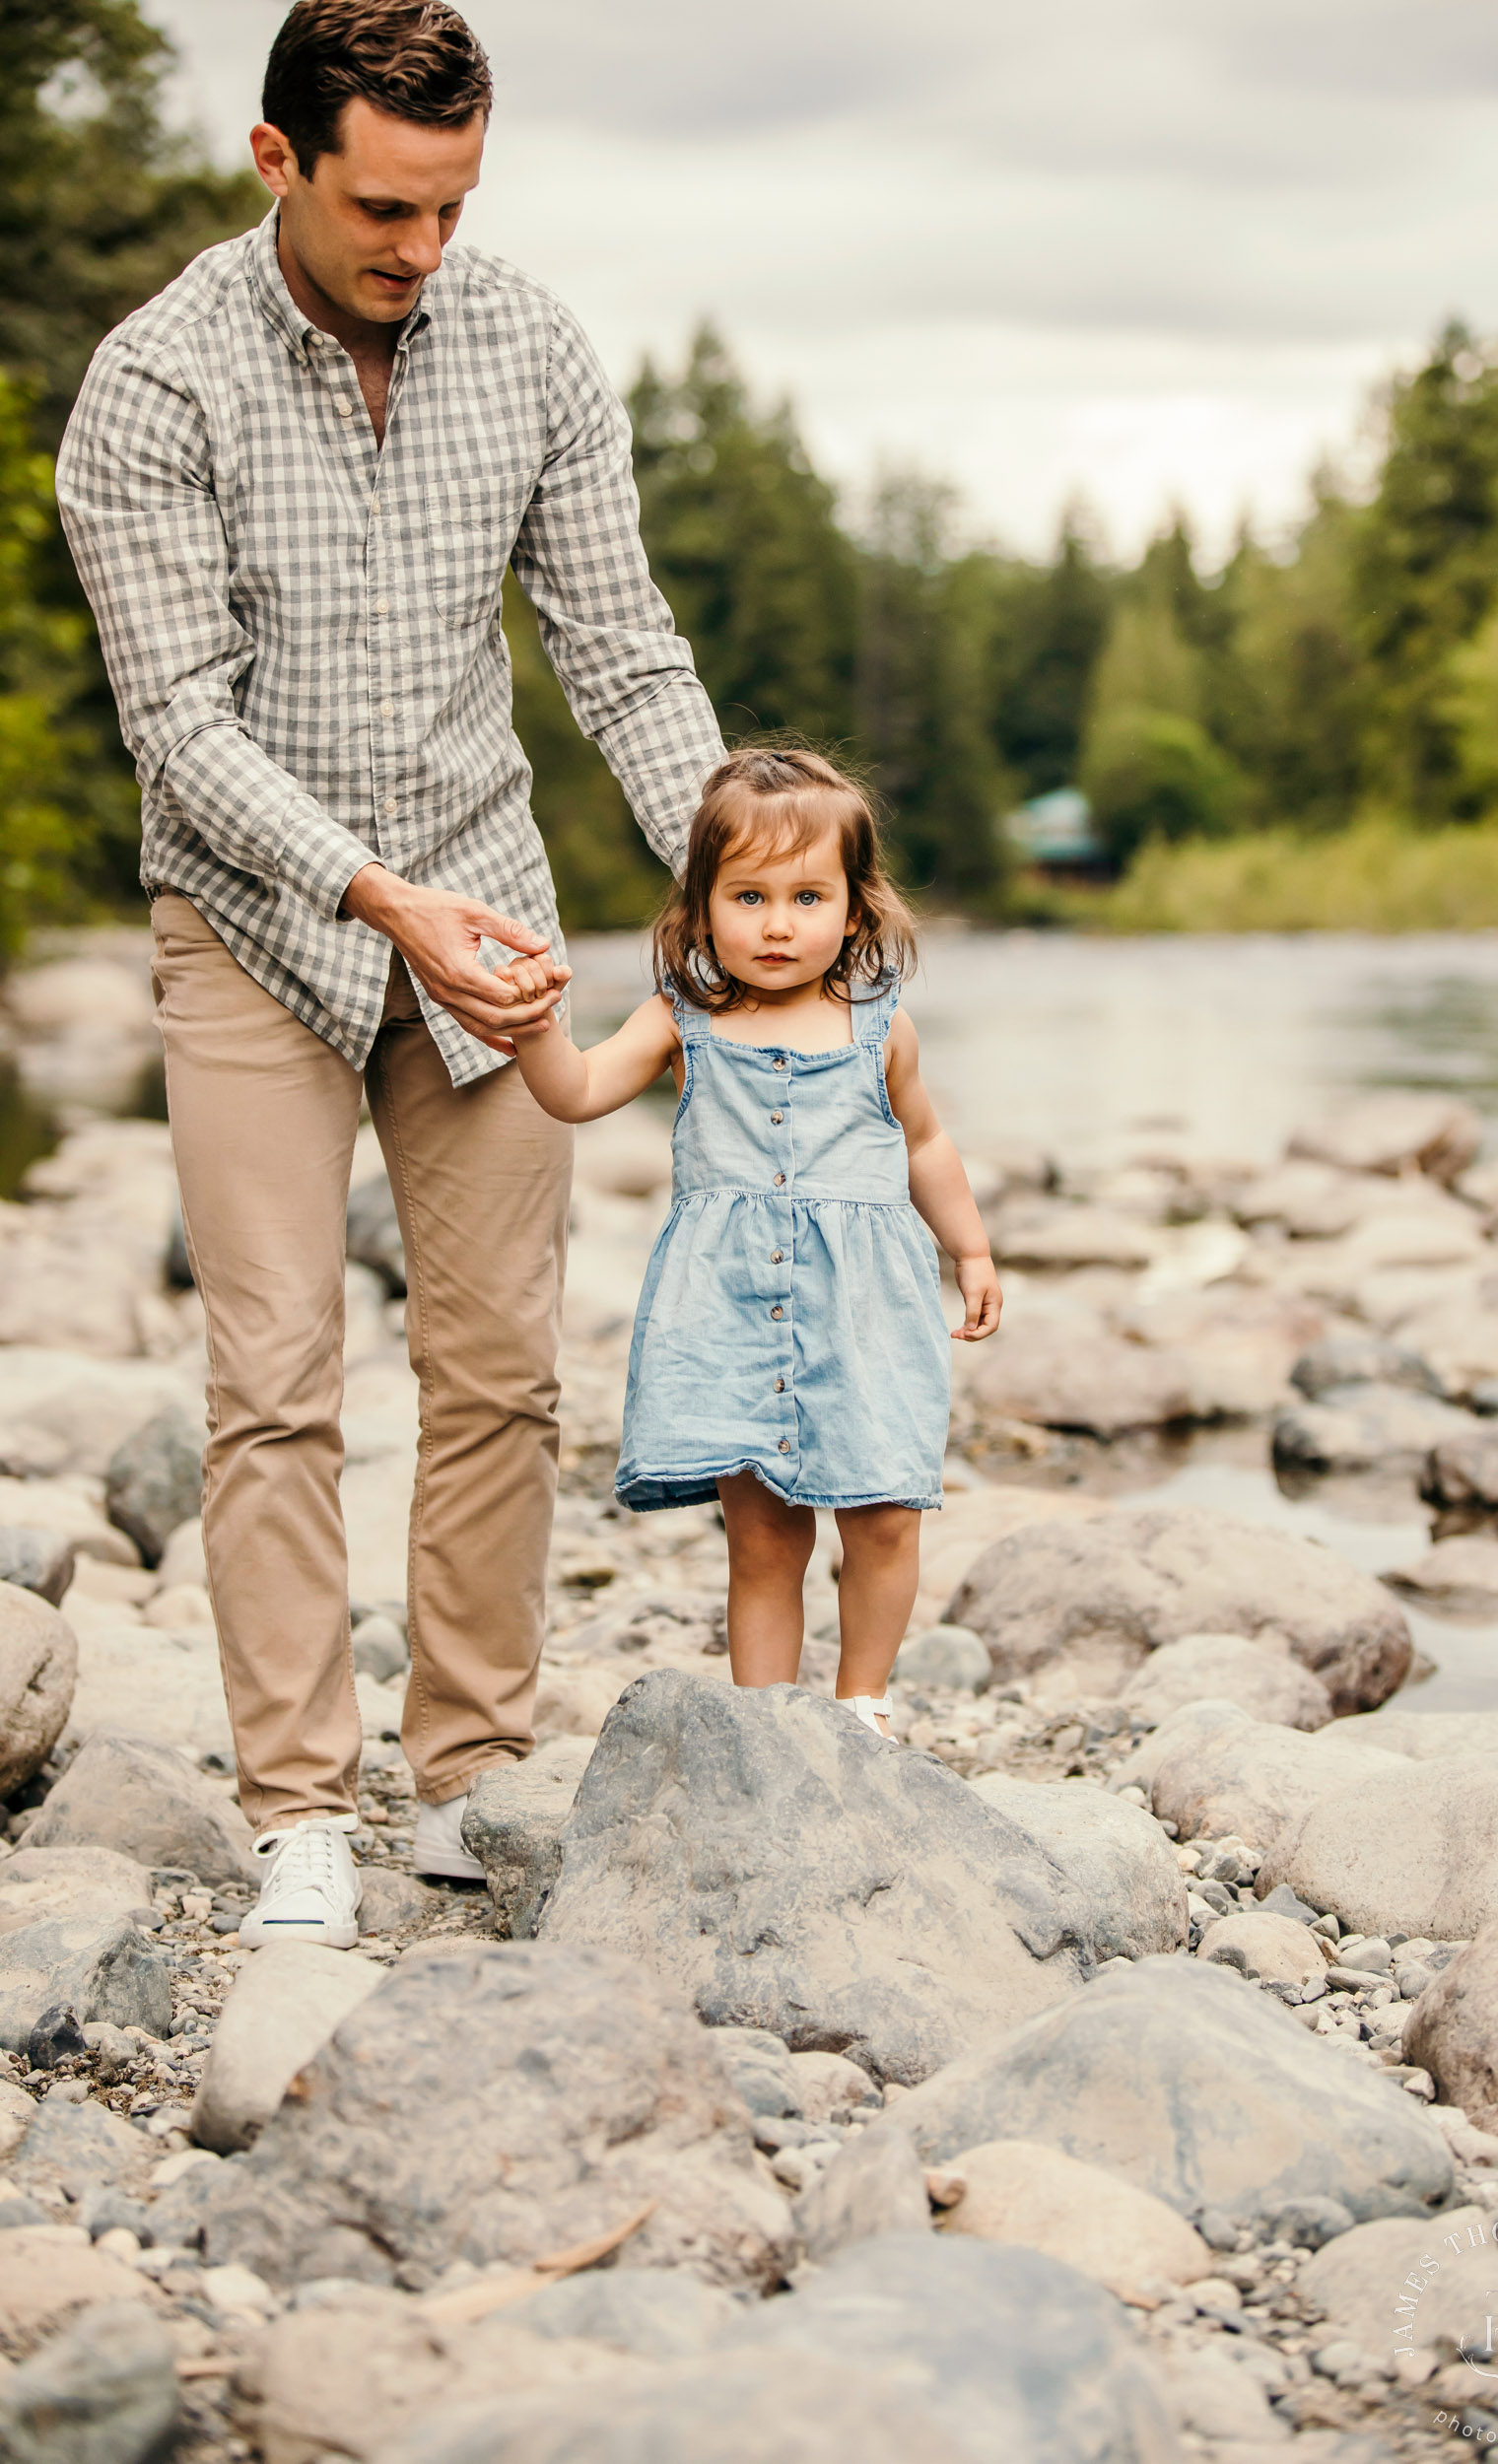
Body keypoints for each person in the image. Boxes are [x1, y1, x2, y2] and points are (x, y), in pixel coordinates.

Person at [55, 0, 725, 1948]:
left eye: (453, 205)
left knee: (500, 1368)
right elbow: (177, 727)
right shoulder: (153, 380)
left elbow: (619, 646)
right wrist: (375, 896)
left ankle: (466, 1776)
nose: (420, 249)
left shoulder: (523, 346)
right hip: (253, 930)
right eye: (383, 208)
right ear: (277, 161)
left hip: (488, 923)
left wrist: (742, 872)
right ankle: (294, 1812)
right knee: (270, 1377)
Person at [498, 750, 1003, 1736]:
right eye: (748, 895)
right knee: (763, 1538)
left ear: (852, 911)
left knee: (882, 1514)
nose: (777, 923)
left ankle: (862, 1704)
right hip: (730, 1316)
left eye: (806, 895)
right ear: (699, 909)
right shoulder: (680, 1018)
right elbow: (576, 1092)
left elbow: (926, 1141)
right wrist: (530, 1027)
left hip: (862, 1315)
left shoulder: (877, 1029)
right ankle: (767, 1724)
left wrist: (971, 1250)